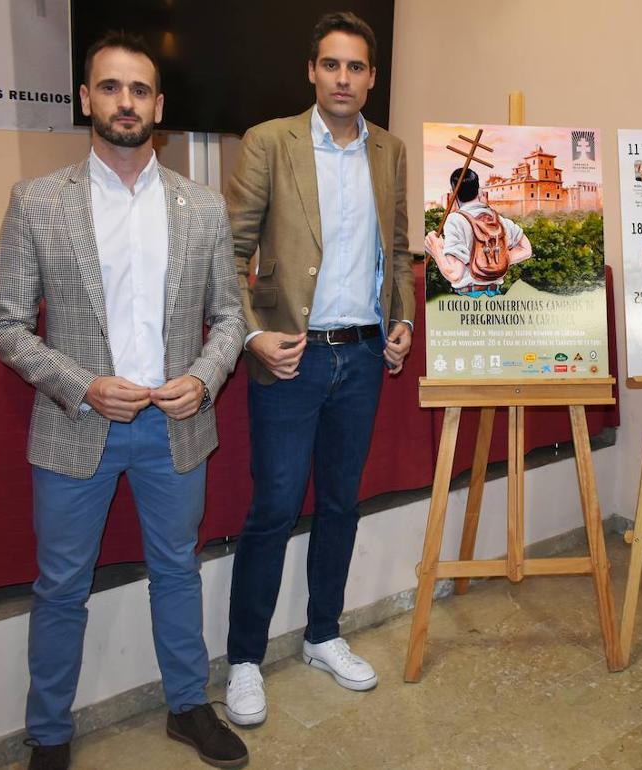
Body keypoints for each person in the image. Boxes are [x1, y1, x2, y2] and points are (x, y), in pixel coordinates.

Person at [0, 31, 248, 770]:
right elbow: (3, 322)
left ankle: (188, 706)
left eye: (139, 90)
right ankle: (50, 736)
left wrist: (204, 375)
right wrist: (80, 384)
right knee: (61, 587)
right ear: (85, 98)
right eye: (110, 87)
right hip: (76, 427)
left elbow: (230, 316)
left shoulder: (202, 207)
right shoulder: (37, 202)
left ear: (157, 106)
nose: (124, 102)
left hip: (175, 428)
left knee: (177, 571)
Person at [222, 11, 415, 728]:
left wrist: (401, 319)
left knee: (340, 503)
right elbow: (228, 251)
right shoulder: (270, 143)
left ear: (371, 77)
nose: (343, 78)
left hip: (363, 355)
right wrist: (251, 336)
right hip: (291, 357)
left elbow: (397, 249)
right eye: (331, 65)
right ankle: (244, 657)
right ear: (312, 71)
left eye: (356, 67)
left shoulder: (388, 150)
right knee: (273, 509)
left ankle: (323, 634)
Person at [424, 168, 532, 297]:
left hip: (469, 296)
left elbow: (455, 274)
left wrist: (435, 249)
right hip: (495, 294)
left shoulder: (455, 219)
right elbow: (526, 249)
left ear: (453, 193)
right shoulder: (497, 218)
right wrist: (494, 261)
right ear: (479, 191)